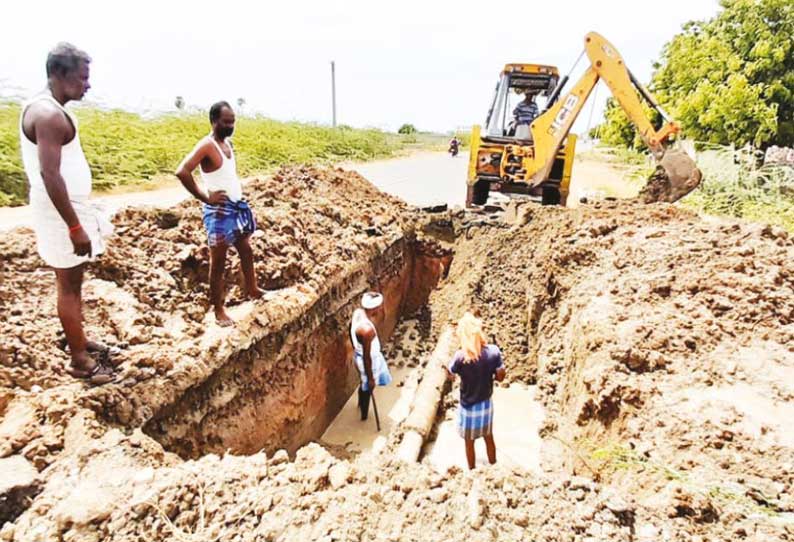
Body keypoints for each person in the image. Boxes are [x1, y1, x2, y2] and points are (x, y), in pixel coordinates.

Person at [19, 43, 116, 384]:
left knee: (73, 281)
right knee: (69, 286)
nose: (87, 85)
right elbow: (50, 174)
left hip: (68, 209)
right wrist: (74, 225)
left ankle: (79, 339)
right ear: (60, 74)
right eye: (82, 77)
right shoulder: (46, 115)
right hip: (61, 213)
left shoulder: (52, 110)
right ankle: (79, 360)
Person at [175, 101, 262, 327]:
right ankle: (218, 311)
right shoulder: (207, 146)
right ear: (214, 121)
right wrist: (205, 197)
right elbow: (182, 171)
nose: (230, 125)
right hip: (219, 211)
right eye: (226, 122)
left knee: (246, 250)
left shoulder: (227, 144)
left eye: (233, 121)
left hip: (235, 207)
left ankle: (252, 289)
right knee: (218, 263)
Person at [445, 312, 506, 469]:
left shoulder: (460, 357)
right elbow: (500, 377)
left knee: (469, 443)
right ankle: (494, 467)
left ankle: (472, 471)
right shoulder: (493, 352)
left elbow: (451, 374)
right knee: (488, 437)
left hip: (468, 406)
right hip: (486, 403)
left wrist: (447, 371)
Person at [350, 292, 393, 421]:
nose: (381, 309)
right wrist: (370, 378)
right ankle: (363, 415)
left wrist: (355, 346)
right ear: (374, 309)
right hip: (367, 361)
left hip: (361, 356)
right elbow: (367, 357)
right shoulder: (367, 331)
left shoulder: (358, 313)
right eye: (380, 307)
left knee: (363, 385)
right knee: (368, 388)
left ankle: (360, 403)